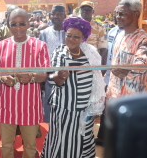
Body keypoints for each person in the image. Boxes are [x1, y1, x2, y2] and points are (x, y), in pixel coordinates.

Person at [41, 17, 105, 158]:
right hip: (64, 111)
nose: (72, 39)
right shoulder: (60, 52)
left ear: (83, 38)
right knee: (63, 143)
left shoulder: (90, 53)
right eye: (68, 35)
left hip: (85, 110)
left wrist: (95, 105)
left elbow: (97, 79)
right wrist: (60, 76)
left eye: (77, 37)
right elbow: (52, 80)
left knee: (83, 142)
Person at [0, 8, 50, 158]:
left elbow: (44, 75)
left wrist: (31, 77)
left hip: (30, 105)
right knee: (6, 146)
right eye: (14, 24)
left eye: (22, 24)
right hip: (7, 104)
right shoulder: (0, 46)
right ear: (8, 24)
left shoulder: (40, 46)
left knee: (30, 147)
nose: (18, 28)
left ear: (28, 23)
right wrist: (3, 78)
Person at [107, 0, 147, 98]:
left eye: (122, 14)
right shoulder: (119, 35)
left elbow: (141, 65)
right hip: (112, 95)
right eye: (116, 13)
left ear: (136, 15)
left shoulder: (144, 39)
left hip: (130, 99)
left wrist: (128, 71)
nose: (117, 17)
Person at [96, 7, 123, 146]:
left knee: (117, 110)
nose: (117, 17)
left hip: (122, 81)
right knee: (105, 109)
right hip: (108, 77)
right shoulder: (112, 31)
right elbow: (107, 53)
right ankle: (102, 137)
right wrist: (103, 72)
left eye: (120, 14)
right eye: (115, 14)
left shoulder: (131, 34)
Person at [39, 5, 67, 123]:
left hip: (68, 76)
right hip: (50, 76)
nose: (56, 16)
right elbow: (40, 55)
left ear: (64, 16)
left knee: (66, 104)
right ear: (50, 16)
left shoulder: (70, 32)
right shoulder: (44, 33)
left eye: (60, 14)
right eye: (54, 14)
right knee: (50, 103)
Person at [80, 1, 108, 70]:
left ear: (93, 11)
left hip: (92, 64)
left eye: (88, 9)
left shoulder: (100, 27)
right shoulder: (73, 25)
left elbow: (103, 49)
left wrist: (102, 68)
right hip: (75, 62)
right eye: (83, 9)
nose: (85, 11)